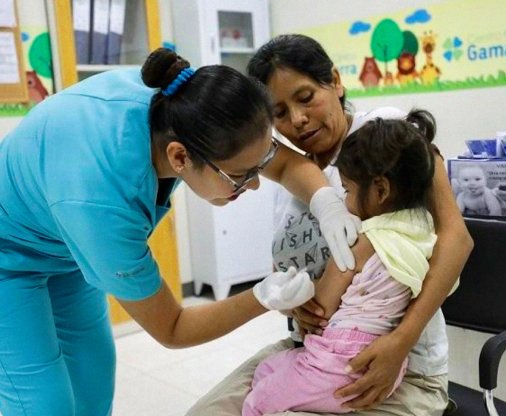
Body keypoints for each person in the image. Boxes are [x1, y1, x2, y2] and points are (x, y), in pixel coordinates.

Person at [0, 48, 361, 415]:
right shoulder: (102, 202)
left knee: (92, 377)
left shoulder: (185, 107)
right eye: (239, 176)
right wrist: (262, 297)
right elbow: (172, 327)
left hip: (62, 247)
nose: (252, 186)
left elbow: (284, 167)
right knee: (44, 402)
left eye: (258, 168)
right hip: (7, 259)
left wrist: (326, 203)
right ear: (179, 158)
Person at [186, 34, 473, 416]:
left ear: (335, 82)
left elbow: (457, 238)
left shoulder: (387, 135)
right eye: (280, 114)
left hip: (397, 367)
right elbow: (287, 271)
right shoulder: (290, 181)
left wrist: (402, 341)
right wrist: (294, 306)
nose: (298, 120)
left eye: (305, 98)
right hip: (310, 354)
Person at [243, 110, 453, 415]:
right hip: (387, 367)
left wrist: (291, 292)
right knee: (269, 371)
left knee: (258, 398)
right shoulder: (424, 229)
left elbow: (322, 306)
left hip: (338, 359)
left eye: (348, 190)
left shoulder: (362, 242)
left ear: (380, 190)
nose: (344, 201)